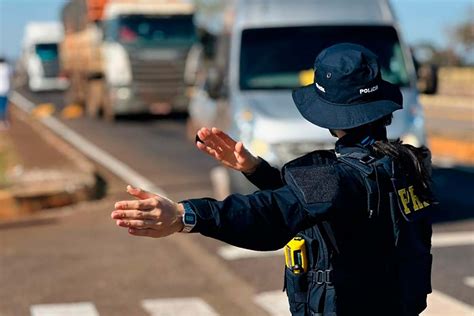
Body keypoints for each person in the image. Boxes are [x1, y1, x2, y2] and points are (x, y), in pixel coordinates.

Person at [111, 43, 434, 316]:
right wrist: (256, 170)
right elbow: (318, 205)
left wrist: (185, 216)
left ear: (331, 113)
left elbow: (273, 214)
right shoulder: (405, 164)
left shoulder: (344, 178)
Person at [0, 57, 11, 129]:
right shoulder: (7, 68)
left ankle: (2, 121)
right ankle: (3, 121)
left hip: (3, 90)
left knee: (2, 106)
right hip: (5, 89)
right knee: (4, 107)